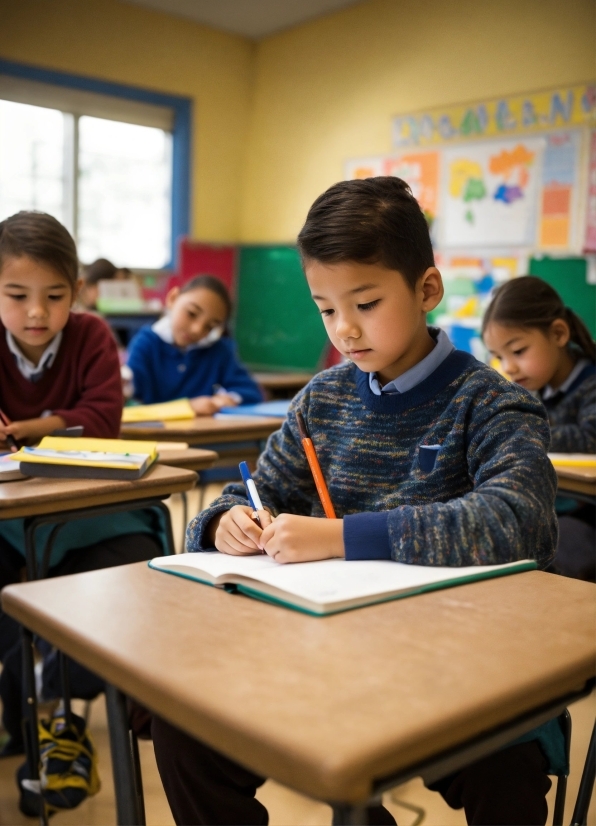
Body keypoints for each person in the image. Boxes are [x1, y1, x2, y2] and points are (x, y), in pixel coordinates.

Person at [150, 178, 559, 826]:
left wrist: (343, 536)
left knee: (503, 771)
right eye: (325, 308)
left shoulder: (491, 402)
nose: (344, 329)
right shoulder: (323, 399)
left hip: (464, 661)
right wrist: (224, 521)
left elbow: (521, 522)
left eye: (365, 303)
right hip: (334, 649)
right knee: (185, 733)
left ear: (427, 289)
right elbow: (246, 490)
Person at [0, 211, 164, 768]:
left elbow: (102, 420)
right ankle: (28, 705)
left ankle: (60, 714)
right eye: (17, 295)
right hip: (7, 513)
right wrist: (57, 420)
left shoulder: (91, 333)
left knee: (129, 567)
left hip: (88, 504)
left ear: (78, 293)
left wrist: (23, 429)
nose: (37, 312)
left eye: (54, 295)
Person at [482, 275, 596, 581]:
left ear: (558, 333)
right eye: (499, 357)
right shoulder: (535, 389)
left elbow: (590, 437)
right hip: (551, 509)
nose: (509, 367)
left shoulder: (591, 383)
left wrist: (528, 432)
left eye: (518, 351)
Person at [127, 275, 263, 414]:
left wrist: (224, 399)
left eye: (210, 326)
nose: (197, 330)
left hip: (205, 433)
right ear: (173, 298)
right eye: (191, 314)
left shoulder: (219, 350)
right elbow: (132, 402)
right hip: (154, 433)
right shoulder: (145, 344)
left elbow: (250, 391)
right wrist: (188, 407)